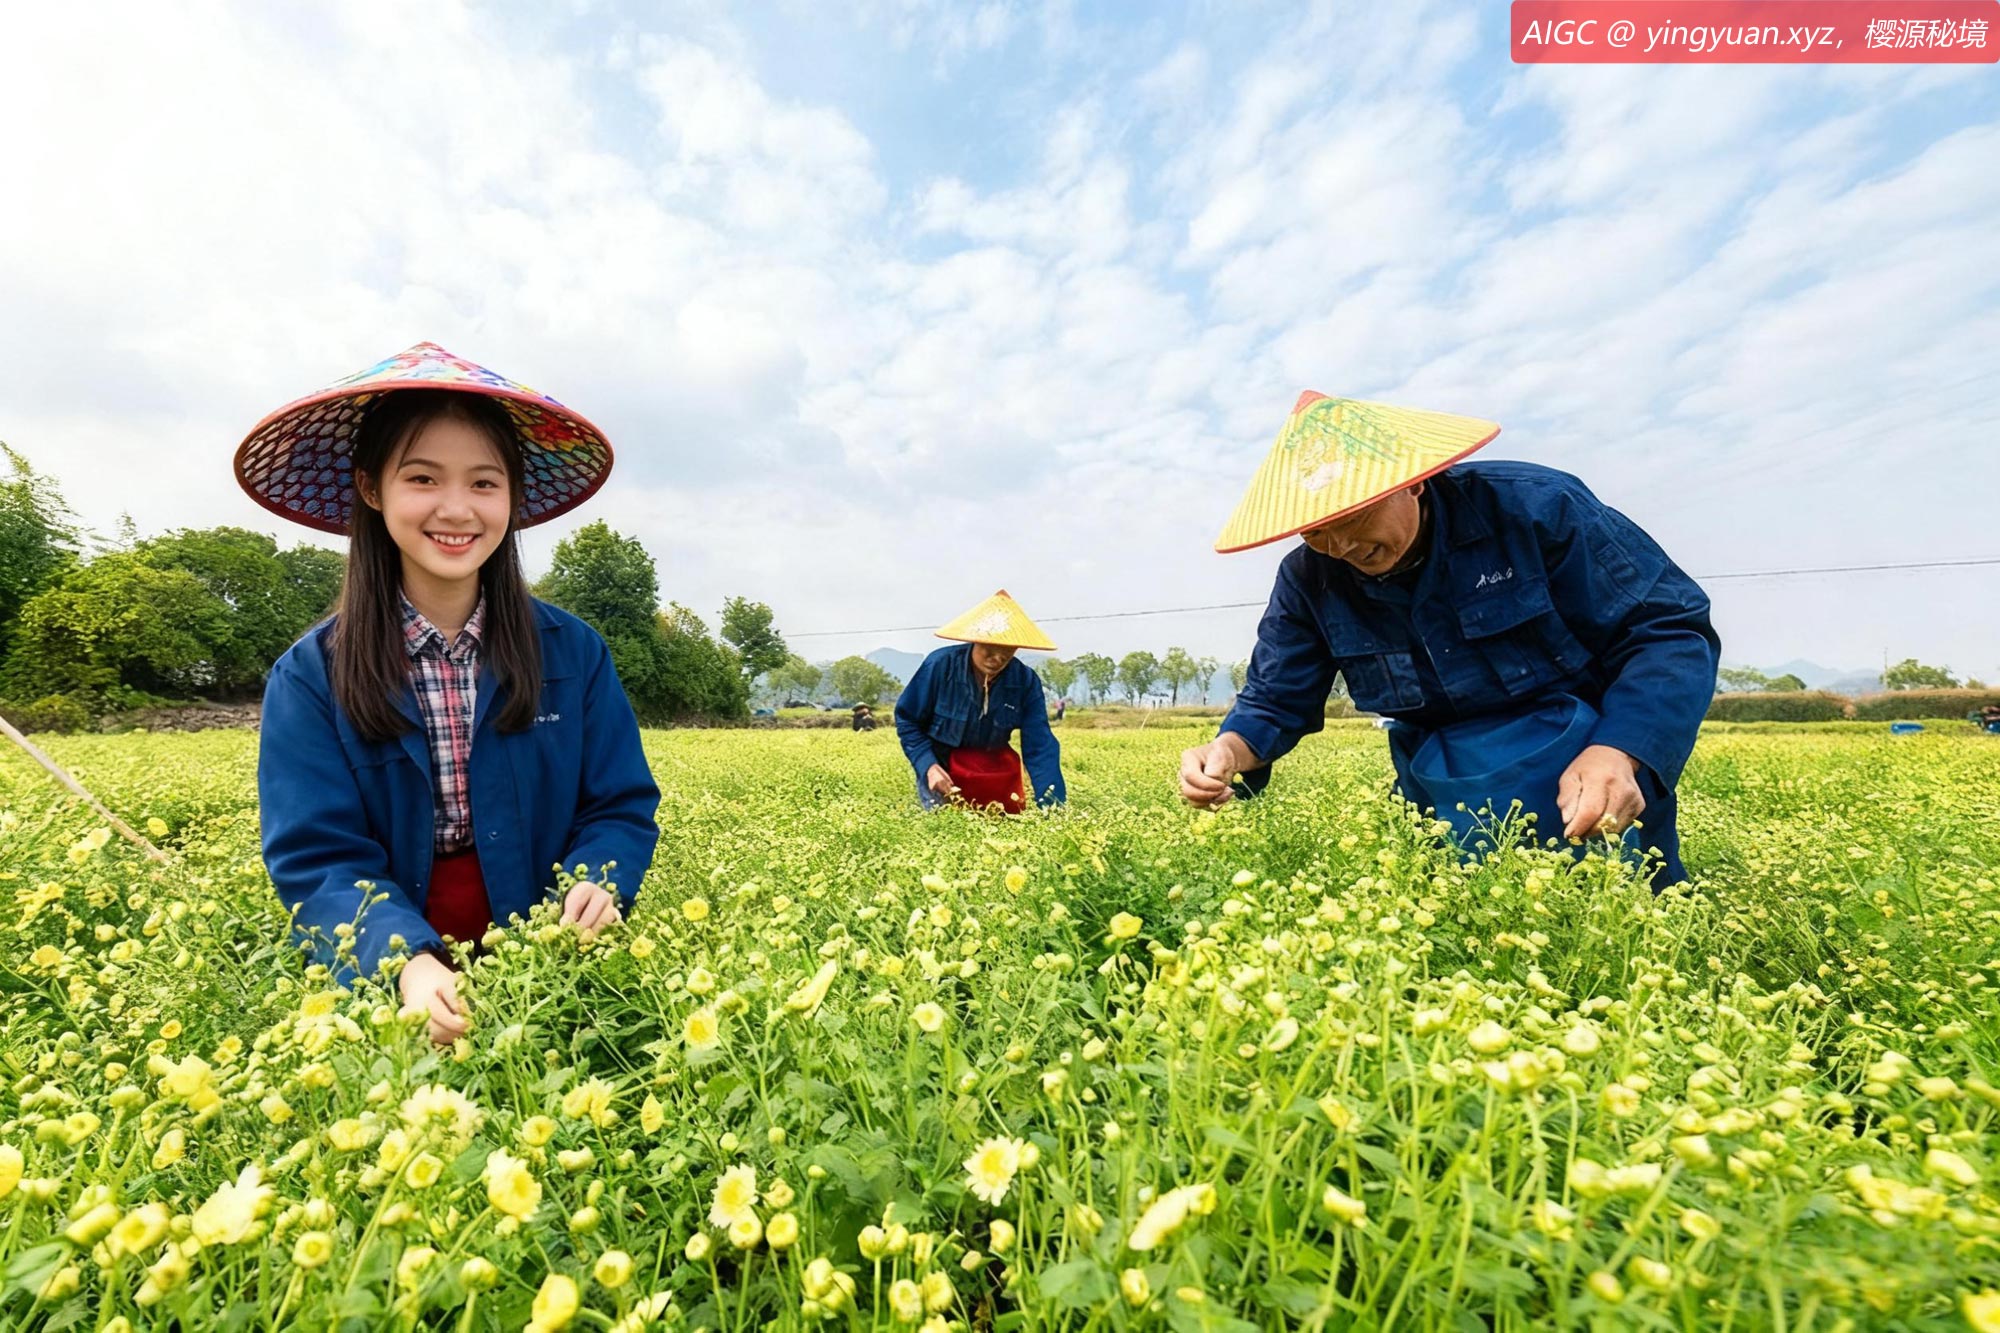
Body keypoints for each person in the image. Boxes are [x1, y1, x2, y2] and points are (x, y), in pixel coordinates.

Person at [237, 342, 661, 1043]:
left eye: (485, 484)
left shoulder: (574, 652)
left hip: (551, 967)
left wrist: (597, 882)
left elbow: (618, 803)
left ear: (513, 496)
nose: (457, 509)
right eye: (424, 478)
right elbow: (319, 859)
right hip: (391, 979)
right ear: (373, 488)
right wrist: (404, 961)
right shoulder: (310, 675)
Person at [1180, 392, 1719, 888]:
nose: (1341, 544)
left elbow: (1666, 629)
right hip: (1440, 788)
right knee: (1460, 932)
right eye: (1316, 530)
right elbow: (1276, 697)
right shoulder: (1308, 579)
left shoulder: (1536, 510)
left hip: (1586, 771)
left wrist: (1618, 750)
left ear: (1412, 480)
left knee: (1620, 916)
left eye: (1353, 514)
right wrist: (1227, 749)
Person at [895, 590, 1067, 812]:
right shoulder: (939, 666)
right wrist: (928, 766)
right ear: (975, 639)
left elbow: (1040, 745)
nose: (997, 658)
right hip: (943, 765)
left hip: (992, 768)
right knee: (946, 827)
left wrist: (1052, 806)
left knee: (1001, 831)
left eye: (1007, 651)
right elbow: (908, 721)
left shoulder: (1025, 681)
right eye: (990, 648)